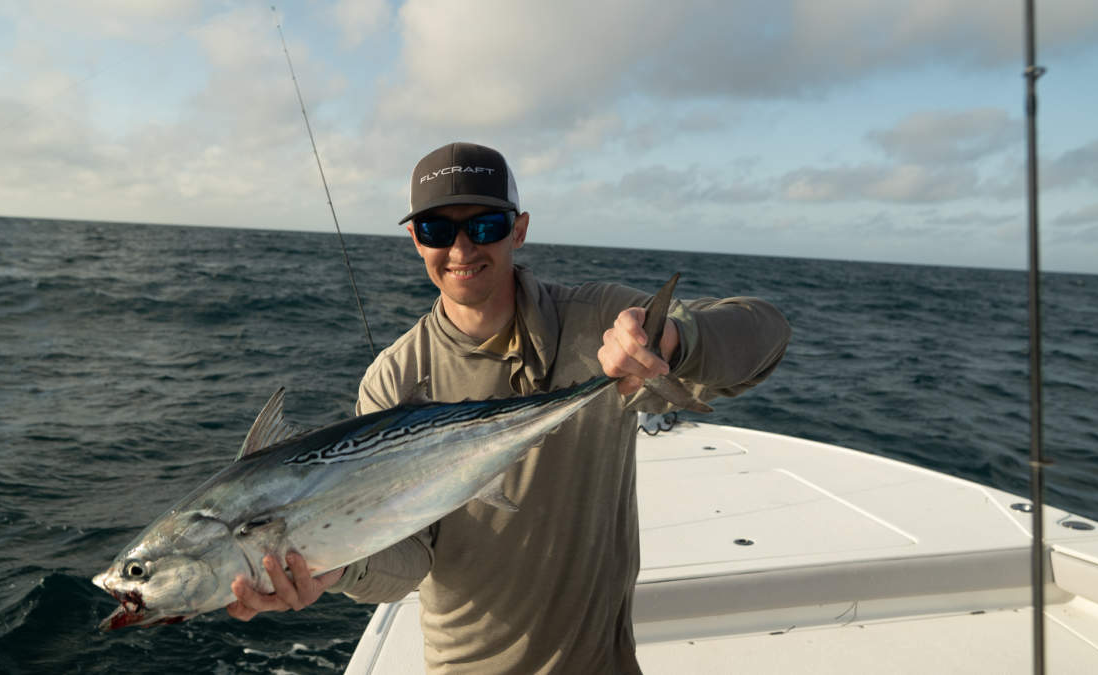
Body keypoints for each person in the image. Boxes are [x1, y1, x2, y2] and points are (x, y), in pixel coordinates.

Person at [228, 142, 791, 673]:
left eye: (485, 226)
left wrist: (671, 342)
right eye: (436, 229)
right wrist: (337, 565)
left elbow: (765, 335)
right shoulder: (393, 377)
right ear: (414, 240)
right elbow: (410, 561)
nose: (462, 249)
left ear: (519, 229)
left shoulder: (599, 319)